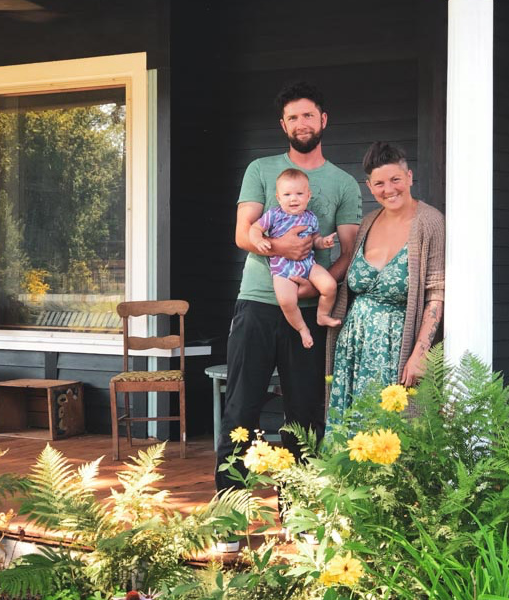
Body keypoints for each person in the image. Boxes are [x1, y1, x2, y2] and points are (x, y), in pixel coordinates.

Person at [216, 82, 362, 491]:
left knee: (304, 413)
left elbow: (347, 253)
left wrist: (315, 290)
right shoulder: (260, 170)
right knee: (241, 407)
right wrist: (279, 245)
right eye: (293, 117)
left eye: (309, 115)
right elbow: (244, 234)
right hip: (258, 305)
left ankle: (300, 511)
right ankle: (229, 510)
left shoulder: (344, 184)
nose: (302, 123)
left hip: (310, 311)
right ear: (284, 125)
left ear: (323, 120)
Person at [326, 142, 445, 423]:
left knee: (392, 435)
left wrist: (420, 354)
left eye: (395, 179)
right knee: (351, 438)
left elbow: (436, 294)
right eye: (379, 183)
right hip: (353, 349)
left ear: (410, 177)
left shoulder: (430, 223)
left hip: (397, 350)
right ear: (369, 186)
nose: (388, 189)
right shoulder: (368, 222)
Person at [248, 168, 342, 349]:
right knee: (286, 301)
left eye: (299, 194)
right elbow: (254, 229)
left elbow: (314, 240)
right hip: (283, 269)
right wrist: (258, 240)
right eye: (287, 194)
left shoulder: (310, 217)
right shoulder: (274, 214)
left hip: (308, 264)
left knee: (329, 286)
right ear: (278, 197)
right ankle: (302, 329)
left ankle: (322, 315)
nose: (293, 198)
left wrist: (324, 242)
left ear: (308, 196)